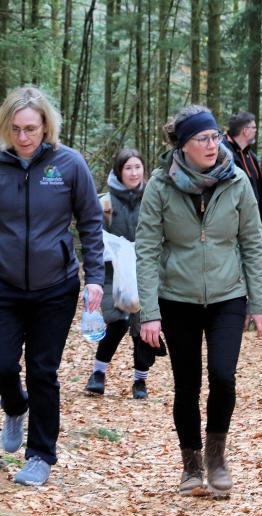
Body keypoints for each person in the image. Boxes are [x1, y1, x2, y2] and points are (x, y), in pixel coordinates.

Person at [0, 86, 104, 486]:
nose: (23, 137)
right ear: (5, 127)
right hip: (1, 285)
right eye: (16, 128)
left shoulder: (69, 164)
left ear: (46, 127)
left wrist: (95, 278)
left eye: (31, 129)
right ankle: (14, 404)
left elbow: (91, 222)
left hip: (55, 287)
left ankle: (40, 455)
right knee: (0, 365)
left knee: (44, 371)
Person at [136, 104, 262, 499]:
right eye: (202, 139)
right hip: (177, 298)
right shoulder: (160, 185)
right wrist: (149, 313)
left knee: (223, 376)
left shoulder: (237, 180)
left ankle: (217, 457)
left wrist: (258, 303)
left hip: (229, 295)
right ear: (183, 145)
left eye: (214, 137)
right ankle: (191, 465)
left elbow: (252, 243)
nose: (212, 144)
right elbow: (146, 249)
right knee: (187, 384)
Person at [83, 149, 155, 400]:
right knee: (117, 322)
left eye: (138, 167)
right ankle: (98, 373)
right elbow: (92, 237)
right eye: (128, 168)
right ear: (118, 171)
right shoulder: (105, 203)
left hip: (146, 271)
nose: (134, 173)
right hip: (112, 274)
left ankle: (140, 381)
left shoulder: (152, 198)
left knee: (143, 325)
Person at [224, 111, 262, 237]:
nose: (256, 130)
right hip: (233, 228)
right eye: (254, 127)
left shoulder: (250, 155)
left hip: (251, 225)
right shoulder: (223, 155)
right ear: (245, 131)